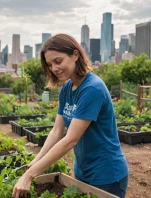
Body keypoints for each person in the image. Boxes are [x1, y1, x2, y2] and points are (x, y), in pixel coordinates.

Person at [12, 34, 128, 198]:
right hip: (82, 170)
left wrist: (29, 175)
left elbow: (70, 139)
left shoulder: (92, 89)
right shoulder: (67, 88)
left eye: (58, 61)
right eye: (50, 64)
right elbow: (57, 130)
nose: (54, 69)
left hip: (106, 174)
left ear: (75, 55)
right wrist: (35, 162)